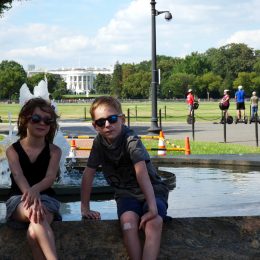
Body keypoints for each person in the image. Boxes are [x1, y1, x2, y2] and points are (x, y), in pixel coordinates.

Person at [81, 96, 169, 260]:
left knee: (153, 222)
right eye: (101, 122)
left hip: (153, 191)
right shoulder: (99, 143)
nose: (107, 125)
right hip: (126, 194)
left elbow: (141, 173)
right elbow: (88, 173)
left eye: (112, 119)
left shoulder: (131, 140)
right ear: (95, 126)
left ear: (122, 119)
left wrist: (152, 207)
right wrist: (85, 208)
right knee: (128, 223)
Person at [5, 97, 62, 260]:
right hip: (19, 199)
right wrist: (30, 195)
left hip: (47, 198)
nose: (42, 123)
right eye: (36, 118)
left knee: (33, 232)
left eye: (47, 120)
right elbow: (18, 175)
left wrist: (36, 190)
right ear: (25, 120)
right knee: (34, 213)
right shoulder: (12, 150)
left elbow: (50, 178)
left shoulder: (54, 151)